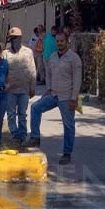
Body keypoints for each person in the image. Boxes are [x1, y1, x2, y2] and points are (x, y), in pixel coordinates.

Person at [26, 32, 82, 165]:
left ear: (67, 42)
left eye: (62, 41)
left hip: (67, 97)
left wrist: (74, 99)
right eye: (57, 41)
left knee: (68, 125)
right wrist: (49, 88)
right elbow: (49, 73)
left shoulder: (74, 58)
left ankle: (67, 153)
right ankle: (35, 137)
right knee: (35, 108)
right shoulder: (52, 56)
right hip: (53, 95)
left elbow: (77, 80)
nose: (59, 43)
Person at [2, 26, 36, 144]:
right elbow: (2, 71)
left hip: (24, 89)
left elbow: (32, 70)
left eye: (15, 38)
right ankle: (15, 134)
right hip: (10, 90)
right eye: (11, 39)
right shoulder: (5, 54)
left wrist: (33, 87)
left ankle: (22, 135)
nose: (13, 41)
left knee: (22, 114)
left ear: (20, 38)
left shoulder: (28, 52)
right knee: (11, 114)